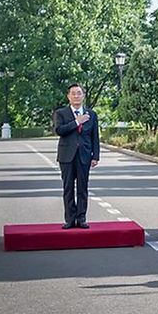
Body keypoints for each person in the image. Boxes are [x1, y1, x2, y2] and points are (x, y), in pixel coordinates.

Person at [53, 84, 100, 229]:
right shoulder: (61, 113)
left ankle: (82, 218)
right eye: (73, 93)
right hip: (67, 156)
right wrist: (76, 122)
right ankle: (69, 219)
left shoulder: (91, 114)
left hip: (84, 156)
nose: (76, 96)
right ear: (68, 96)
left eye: (79, 93)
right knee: (68, 188)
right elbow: (59, 130)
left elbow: (94, 137)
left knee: (82, 188)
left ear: (83, 96)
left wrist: (95, 156)